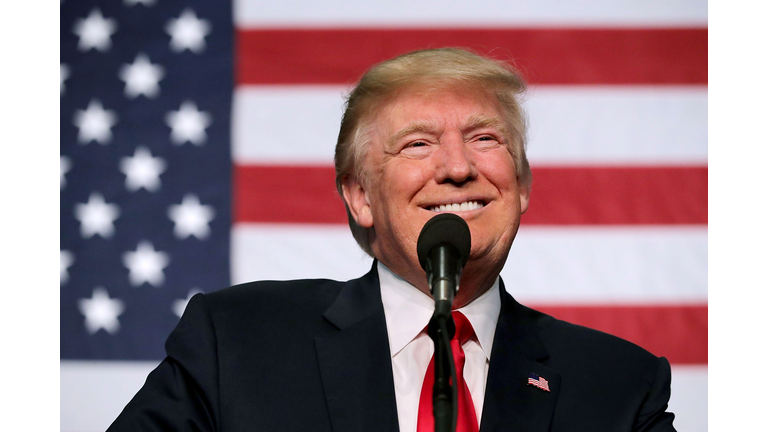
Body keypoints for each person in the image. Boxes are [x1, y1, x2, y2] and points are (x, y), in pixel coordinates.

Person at [108, 48, 675, 431]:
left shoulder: (621, 386)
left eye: (484, 138)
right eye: (418, 144)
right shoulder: (235, 342)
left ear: (522, 185)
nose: (457, 167)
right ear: (359, 195)